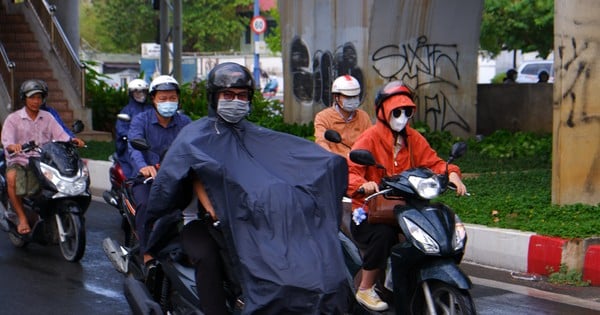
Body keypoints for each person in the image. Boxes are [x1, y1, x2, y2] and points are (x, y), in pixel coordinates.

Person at [139, 63, 349, 314]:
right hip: (198, 223)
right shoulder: (193, 137)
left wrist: (329, 165)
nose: (235, 101)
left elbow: (284, 163)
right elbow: (184, 190)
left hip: (244, 218)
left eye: (242, 96)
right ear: (214, 97)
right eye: (228, 95)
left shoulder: (255, 136)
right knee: (208, 257)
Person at [347, 80, 467, 311]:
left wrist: (452, 174)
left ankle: (418, 279)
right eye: (397, 111)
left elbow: (434, 162)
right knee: (383, 235)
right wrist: (364, 184)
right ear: (383, 112)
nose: (402, 117)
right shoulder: (369, 139)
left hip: (407, 208)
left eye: (407, 112)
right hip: (372, 211)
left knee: (443, 228)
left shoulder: (413, 138)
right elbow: (351, 170)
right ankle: (366, 288)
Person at [1, 79, 85, 234]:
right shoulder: (13, 119)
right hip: (21, 160)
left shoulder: (47, 117)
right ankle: (22, 218)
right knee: (12, 177)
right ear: (24, 98)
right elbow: (7, 141)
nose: (36, 101)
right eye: (32, 97)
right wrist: (13, 146)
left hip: (43, 160)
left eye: (39, 97)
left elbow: (61, 135)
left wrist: (72, 140)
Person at [129, 75, 191, 265]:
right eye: (162, 98)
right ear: (153, 100)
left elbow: (194, 147)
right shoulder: (141, 120)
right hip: (147, 180)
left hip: (177, 179)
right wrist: (144, 167)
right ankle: (147, 253)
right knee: (147, 206)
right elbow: (134, 146)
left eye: (172, 98)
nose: (168, 103)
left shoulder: (185, 122)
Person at [314, 75, 371, 156]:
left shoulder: (363, 116)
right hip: (335, 163)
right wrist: (332, 158)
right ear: (336, 97)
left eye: (355, 96)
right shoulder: (323, 117)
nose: (352, 100)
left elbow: (371, 140)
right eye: (348, 97)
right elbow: (321, 142)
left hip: (359, 163)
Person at [115, 79, 151, 179]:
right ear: (131, 93)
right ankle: (133, 187)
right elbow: (121, 129)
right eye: (137, 91)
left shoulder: (151, 109)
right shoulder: (127, 110)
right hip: (132, 145)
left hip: (151, 145)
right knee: (136, 169)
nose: (141, 94)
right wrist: (135, 136)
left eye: (143, 91)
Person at [34, 79, 86, 146]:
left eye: (40, 96)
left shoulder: (51, 111)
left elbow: (61, 126)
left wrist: (72, 138)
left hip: (52, 149)